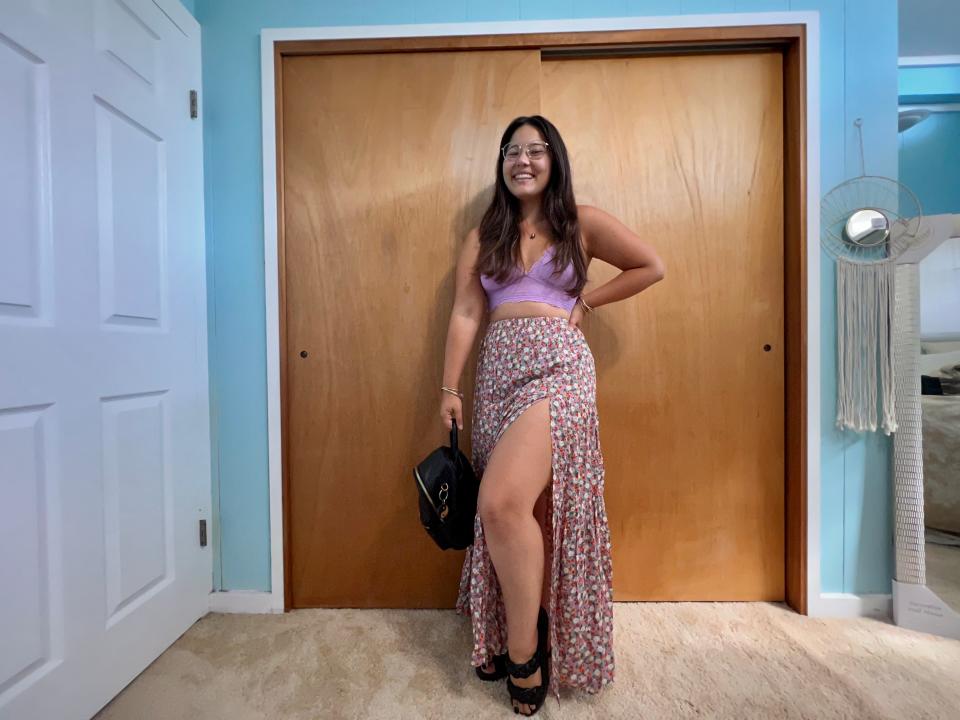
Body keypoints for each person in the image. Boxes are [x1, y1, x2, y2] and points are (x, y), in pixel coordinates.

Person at [439, 115, 665, 716]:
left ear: (553, 159)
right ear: (502, 164)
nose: (523, 161)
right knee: (524, 511)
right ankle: (525, 620)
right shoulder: (483, 233)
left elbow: (651, 266)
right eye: (512, 151)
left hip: (561, 370)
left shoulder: (581, 223)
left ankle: (524, 651)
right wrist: (449, 386)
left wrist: (586, 298)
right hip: (497, 377)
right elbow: (466, 311)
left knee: (500, 502)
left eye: (535, 150)